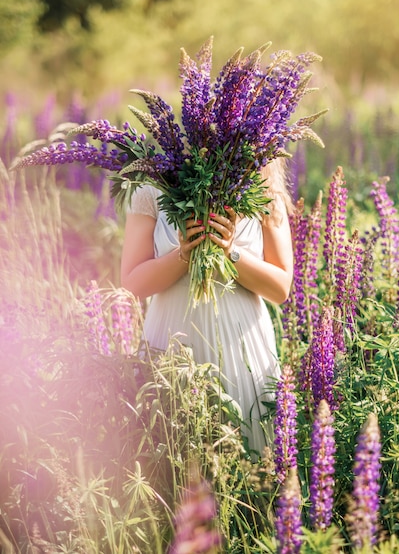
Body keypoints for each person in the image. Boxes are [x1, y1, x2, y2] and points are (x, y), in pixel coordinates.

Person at [120, 157, 294, 454]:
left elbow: (280, 288)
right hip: (169, 349)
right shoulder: (152, 186)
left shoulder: (265, 184)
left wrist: (231, 252)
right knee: (171, 467)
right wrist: (183, 256)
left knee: (247, 468)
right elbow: (132, 283)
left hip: (242, 352)